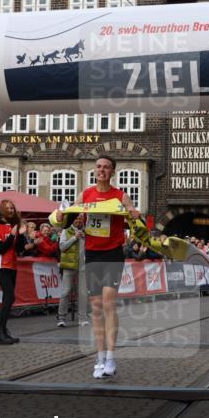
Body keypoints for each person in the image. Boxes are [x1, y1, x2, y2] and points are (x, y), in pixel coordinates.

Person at [54, 155, 139, 379]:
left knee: (109, 303)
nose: (101, 170)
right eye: (99, 166)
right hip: (92, 253)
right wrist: (62, 215)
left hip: (112, 254)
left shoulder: (121, 196)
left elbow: (135, 219)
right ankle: (100, 357)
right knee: (97, 307)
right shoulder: (86, 194)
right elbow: (69, 218)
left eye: (106, 167)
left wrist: (134, 216)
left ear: (112, 172)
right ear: (95, 170)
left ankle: (111, 356)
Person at [0, 199, 27, 344]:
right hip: (0, 266)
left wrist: (21, 234)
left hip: (12, 265)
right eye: (8, 208)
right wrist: (12, 235)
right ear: (2, 210)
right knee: (9, 297)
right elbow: (0, 249)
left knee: (9, 298)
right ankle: (0, 332)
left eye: (12, 208)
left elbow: (19, 249)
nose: (11, 210)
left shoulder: (13, 226)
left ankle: (3, 331)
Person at [56, 215, 84, 327]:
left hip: (82, 266)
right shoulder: (66, 231)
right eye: (76, 219)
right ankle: (61, 318)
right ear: (72, 220)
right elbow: (62, 247)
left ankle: (82, 318)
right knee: (66, 292)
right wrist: (74, 238)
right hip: (69, 265)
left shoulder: (87, 232)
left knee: (81, 293)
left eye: (80, 219)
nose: (78, 221)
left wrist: (85, 237)